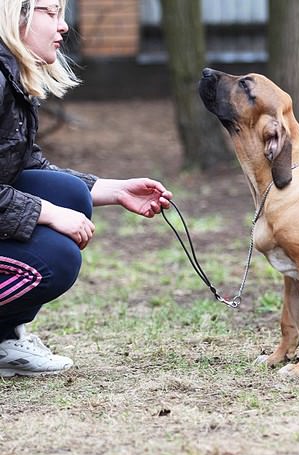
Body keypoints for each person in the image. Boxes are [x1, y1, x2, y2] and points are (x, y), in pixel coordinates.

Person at [0, 0, 172, 377]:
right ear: (15, 14)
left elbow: (25, 166)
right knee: (56, 259)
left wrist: (115, 190)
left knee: (69, 196)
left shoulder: (11, 75)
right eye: (50, 12)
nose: (63, 26)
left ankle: (4, 339)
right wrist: (48, 213)